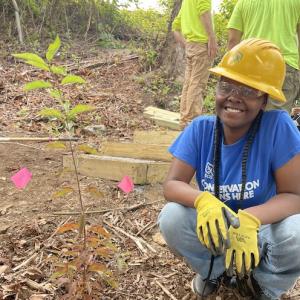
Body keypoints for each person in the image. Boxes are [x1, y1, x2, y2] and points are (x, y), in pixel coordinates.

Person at [158, 38, 300, 300]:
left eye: (248, 90)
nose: (234, 97)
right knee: (172, 217)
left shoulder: (278, 127)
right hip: (215, 230)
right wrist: (202, 200)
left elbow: (295, 196)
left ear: (264, 100)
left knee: (298, 232)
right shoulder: (201, 129)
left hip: (260, 232)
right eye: (227, 86)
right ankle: (216, 273)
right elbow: (172, 185)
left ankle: (261, 285)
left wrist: (251, 218)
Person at [227, 0, 300, 114]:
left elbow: (233, 41)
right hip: (284, 67)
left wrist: (232, 75)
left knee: (248, 116)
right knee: (275, 120)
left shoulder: (243, 3)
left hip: (250, 67)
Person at [172, 0, 218, 129]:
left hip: (191, 45)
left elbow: (175, 27)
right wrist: (212, 38)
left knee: (189, 83)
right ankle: (192, 122)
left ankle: (185, 120)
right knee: (197, 84)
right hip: (202, 45)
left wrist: (186, 44)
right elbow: (204, 11)